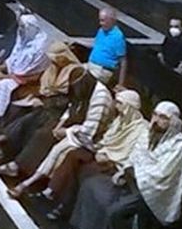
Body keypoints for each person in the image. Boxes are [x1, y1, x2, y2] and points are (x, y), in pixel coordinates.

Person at [67, 101, 182, 229]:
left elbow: (161, 175)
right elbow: (136, 156)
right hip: (131, 179)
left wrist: (135, 171)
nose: (156, 120)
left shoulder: (180, 146)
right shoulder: (149, 132)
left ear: (172, 121)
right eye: (154, 115)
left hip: (151, 192)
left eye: (163, 117)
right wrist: (127, 170)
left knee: (113, 211)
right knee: (90, 185)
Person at [7, 64, 112, 198]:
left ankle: (28, 184)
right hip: (76, 129)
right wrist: (59, 126)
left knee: (58, 150)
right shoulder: (85, 90)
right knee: (47, 137)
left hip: (92, 139)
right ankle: (26, 179)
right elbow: (72, 107)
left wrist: (66, 132)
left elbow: (91, 129)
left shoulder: (101, 99)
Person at [44, 88, 150, 217]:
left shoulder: (141, 129)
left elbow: (129, 152)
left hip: (115, 162)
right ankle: (54, 191)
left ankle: (67, 207)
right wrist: (102, 150)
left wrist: (107, 156)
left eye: (120, 103)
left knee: (86, 172)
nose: (116, 106)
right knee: (74, 155)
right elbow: (108, 139)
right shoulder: (120, 120)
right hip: (102, 151)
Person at [0, 14, 53, 119]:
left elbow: (30, 71)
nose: (21, 30)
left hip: (27, 79)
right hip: (15, 75)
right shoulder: (22, 43)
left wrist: (6, 76)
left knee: (2, 85)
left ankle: (2, 117)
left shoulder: (40, 48)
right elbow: (12, 60)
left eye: (24, 27)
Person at [90, 6, 128, 86]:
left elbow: (123, 61)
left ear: (111, 21)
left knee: (80, 78)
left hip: (102, 70)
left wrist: (120, 84)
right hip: (91, 65)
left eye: (103, 21)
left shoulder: (118, 37)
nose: (101, 23)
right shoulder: (101, 31)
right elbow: (96, 46)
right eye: (100, 20)